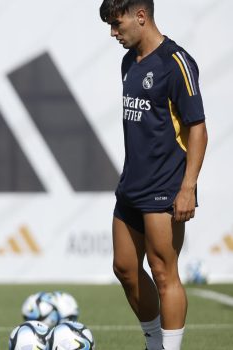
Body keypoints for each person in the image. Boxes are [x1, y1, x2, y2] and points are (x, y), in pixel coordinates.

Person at [99, 1, 208, 349]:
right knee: (125, 269)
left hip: (165, 187)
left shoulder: (176, 63)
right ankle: (154, 343)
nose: (113, 33)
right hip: (131, 185)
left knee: (164, 273)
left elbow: (198, 129)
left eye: (117, 25)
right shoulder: (129, 62)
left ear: (141, 17)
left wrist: (188, 187)